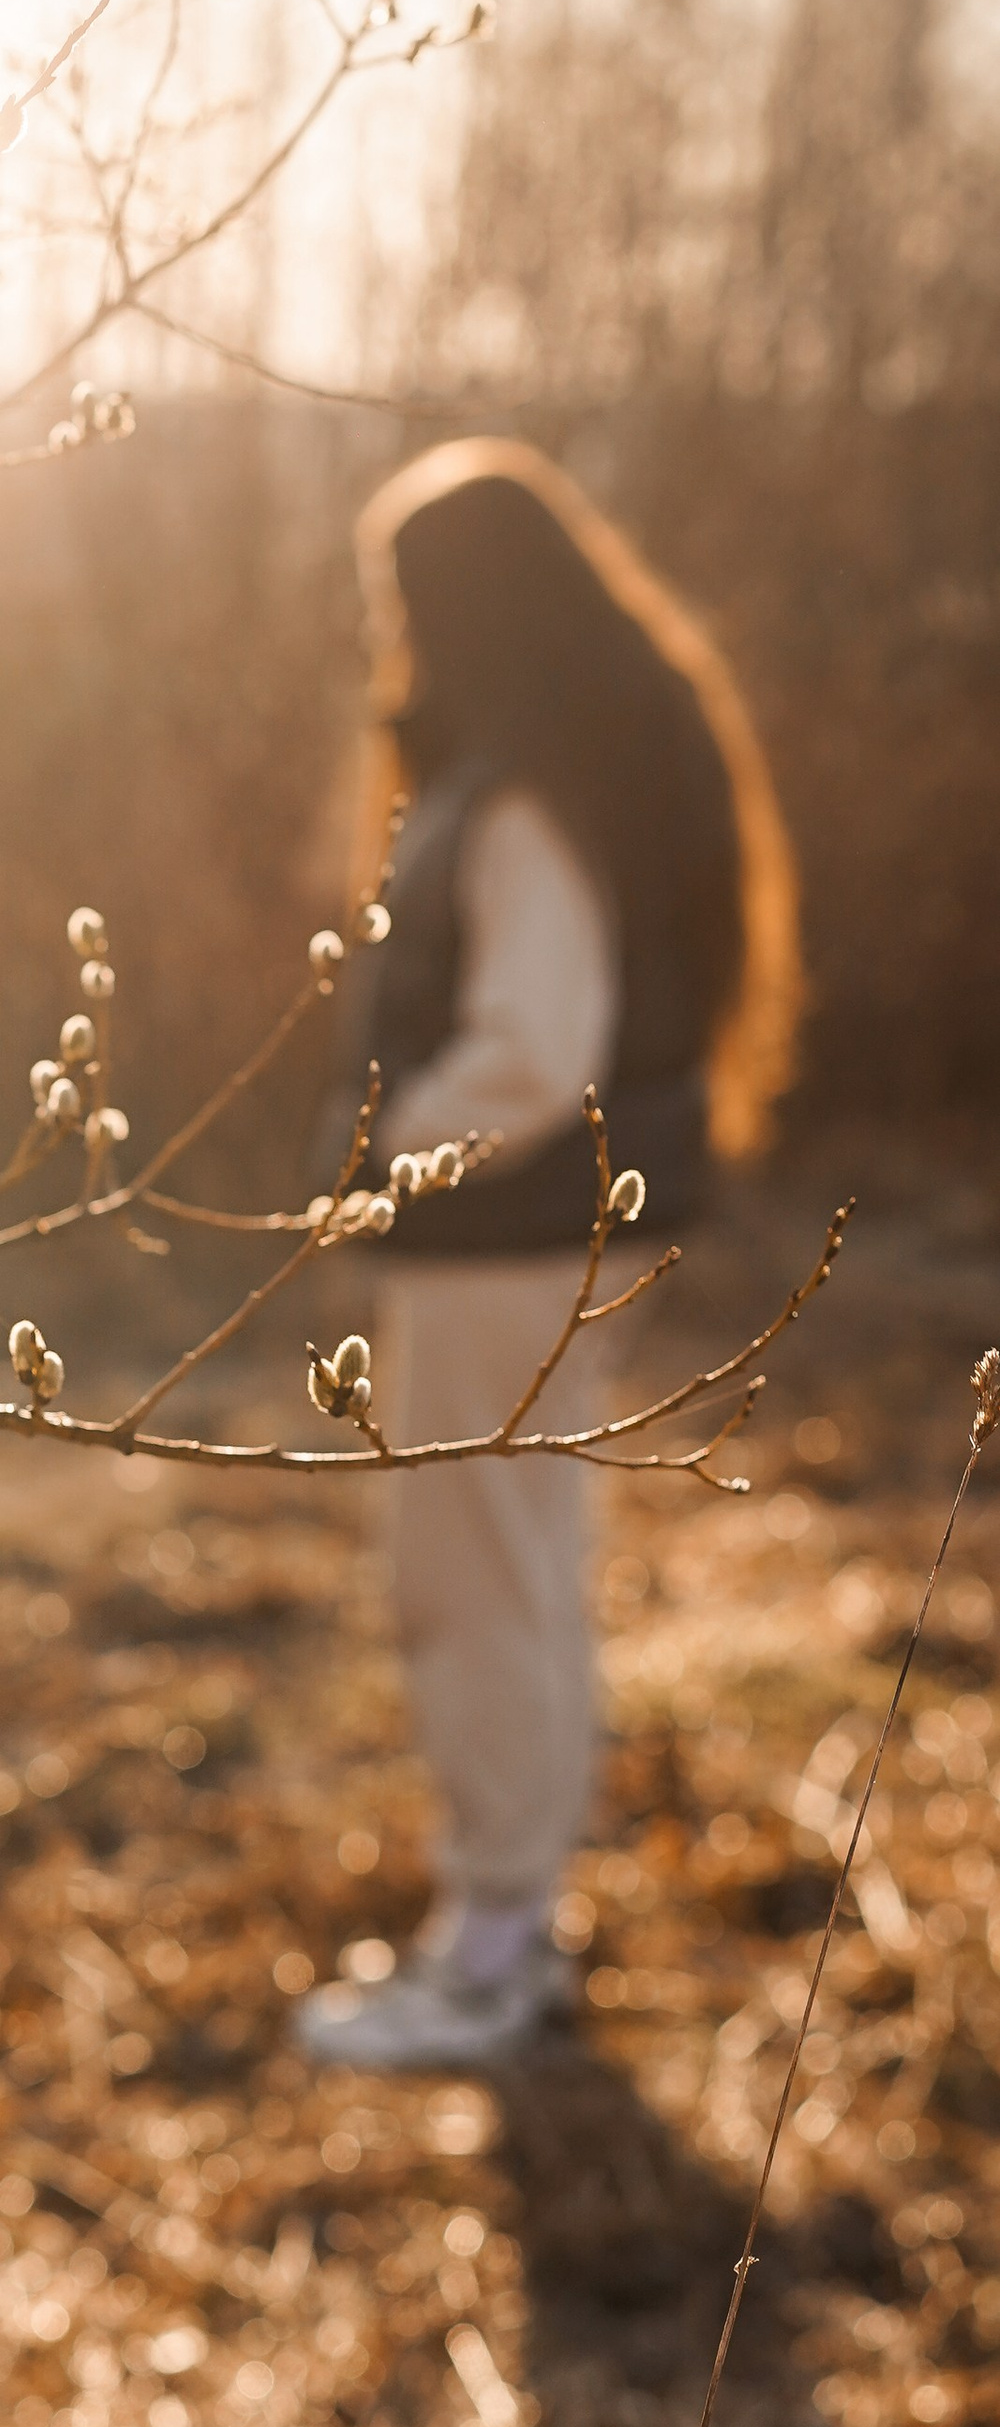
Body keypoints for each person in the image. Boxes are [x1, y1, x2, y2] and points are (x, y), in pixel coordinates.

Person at [296, 439, 801, 2074]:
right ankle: (509, 1912)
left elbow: (535, 1046)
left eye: (401, 601)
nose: (388, 635)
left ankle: (497, 1942)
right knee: (514, 1565)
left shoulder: (514, 800)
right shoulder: (539, 771)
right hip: (518, 1243)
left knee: (474, 1580)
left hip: (495, 1242)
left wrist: (384, 1158)